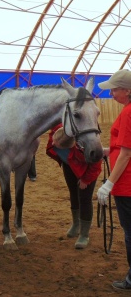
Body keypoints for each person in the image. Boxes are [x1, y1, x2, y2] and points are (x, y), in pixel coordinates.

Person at [96, 69, 131, 290]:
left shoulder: (128, 113)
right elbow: (123, 148)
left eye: (114, 89)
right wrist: (108, 150)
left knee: (130, 232)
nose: (111, 94)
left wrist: (108, 183)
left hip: (126, 183)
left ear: (127, 91)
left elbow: (127, 153)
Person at [46, 124, 102, 249]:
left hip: (86, 170)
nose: (53, 144)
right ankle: (76, 224)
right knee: (73, 193)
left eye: (56, 144)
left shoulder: (85, 148)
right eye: (53, 140)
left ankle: (84, 234)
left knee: (84, 198)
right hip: (69, 165)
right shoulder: (59, 131)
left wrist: (85, 180)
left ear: (69, 147)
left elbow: (96, 165)